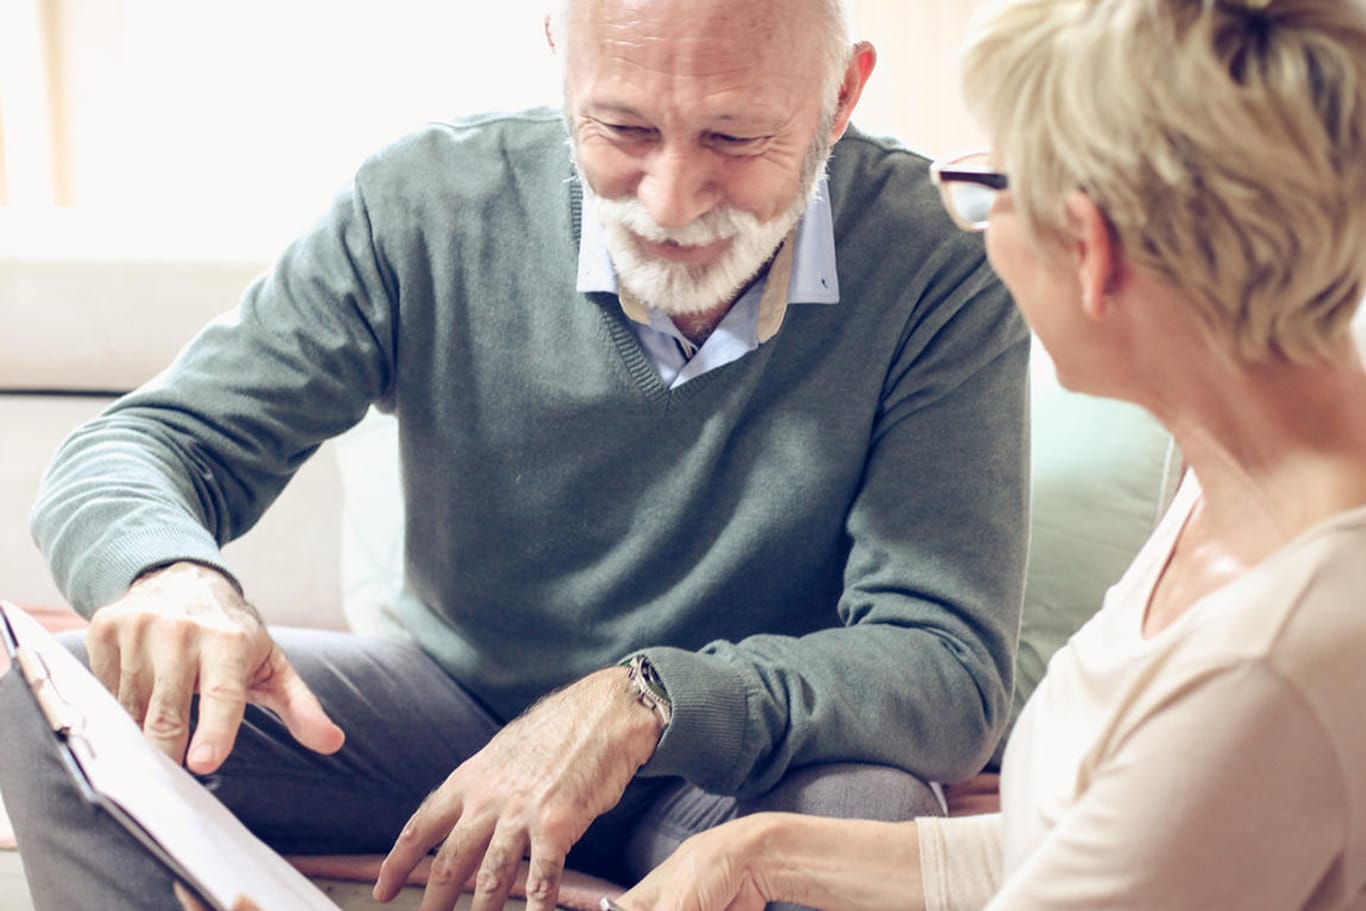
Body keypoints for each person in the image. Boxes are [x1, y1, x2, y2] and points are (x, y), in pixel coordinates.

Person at [0, 0, 1032, 909]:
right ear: (559, 59)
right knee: (52, 693)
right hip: (453, 716)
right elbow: (143, 443)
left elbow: (945, 663)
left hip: (735, 768)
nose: (670, 201)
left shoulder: (940, 262)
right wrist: (167, 571)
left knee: (872, 812)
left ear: (840, 94)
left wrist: (643, 699)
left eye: (734, 134)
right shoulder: (425, 203)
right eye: (623, 127)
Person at [607, 0, 1366, 909]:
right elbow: (1092, 850)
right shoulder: (1235, 499)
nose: (974, 227)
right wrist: (754, 852)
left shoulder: (1274, 657)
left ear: (1089, 249)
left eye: (986, 189)